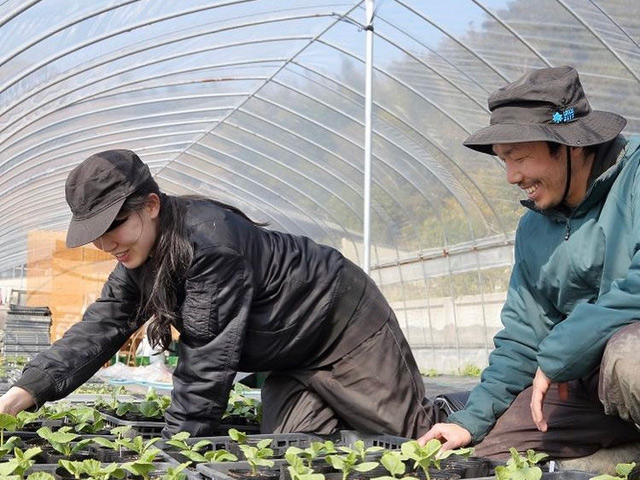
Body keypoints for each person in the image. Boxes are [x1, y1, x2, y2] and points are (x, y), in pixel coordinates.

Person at [0, 149, 441, 438]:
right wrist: (22, 393)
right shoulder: (138, 259)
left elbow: (207, 361)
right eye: (95, 233)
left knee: (415, 438)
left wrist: (176, 449)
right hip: (287, 353)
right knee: (293, 447)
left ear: (151, 205)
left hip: (341, 322)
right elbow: (101, 327)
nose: (105, 243)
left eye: (113, 226)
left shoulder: (210, 243)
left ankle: (463, 418)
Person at [419, 65, 640, 459]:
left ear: (572, 146)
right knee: (494, 455)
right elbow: (525, 334)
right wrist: (469, 420)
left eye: (519, 157)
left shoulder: (635, 177)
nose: (511, 176)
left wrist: (563, 351)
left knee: (630, 357)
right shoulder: (533, 228)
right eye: (503, 160)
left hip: (624, 364)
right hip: (584, 383)